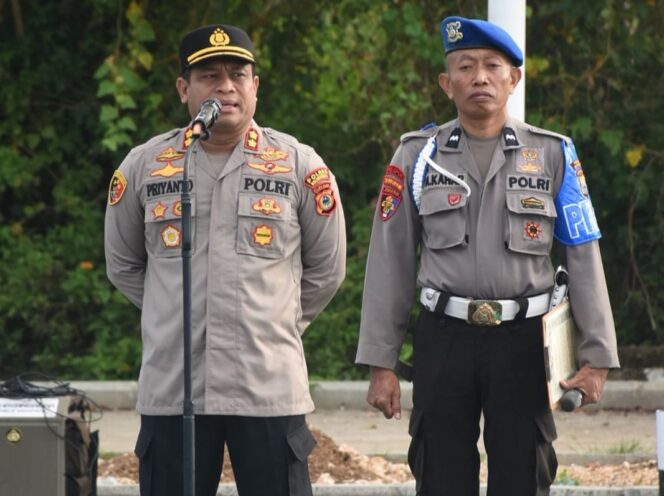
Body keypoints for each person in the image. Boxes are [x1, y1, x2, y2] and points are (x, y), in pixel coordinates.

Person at [356, 16, 619, 495]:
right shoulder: (418, 157)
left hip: (525, 344)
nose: (479, 77)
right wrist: (381, 362)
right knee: (440, 475)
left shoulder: (553, 153)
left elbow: (583, 253)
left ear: (513, 78)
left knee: (523, 476)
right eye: (465, 66)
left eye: (492, 66)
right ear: (446, 82)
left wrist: (597, 356)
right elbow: (389, 263)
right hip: (444, 339)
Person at [104, 23, 346, 496]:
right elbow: (124, 265)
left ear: (256, 86)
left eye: (238, 74)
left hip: (267, 385)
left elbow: (327, 268)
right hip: (175, 386)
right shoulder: (144, 166)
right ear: (184, 89)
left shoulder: (300, 164)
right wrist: (170, 310)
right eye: (209, 76)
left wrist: (274, 322)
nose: (225, 86)